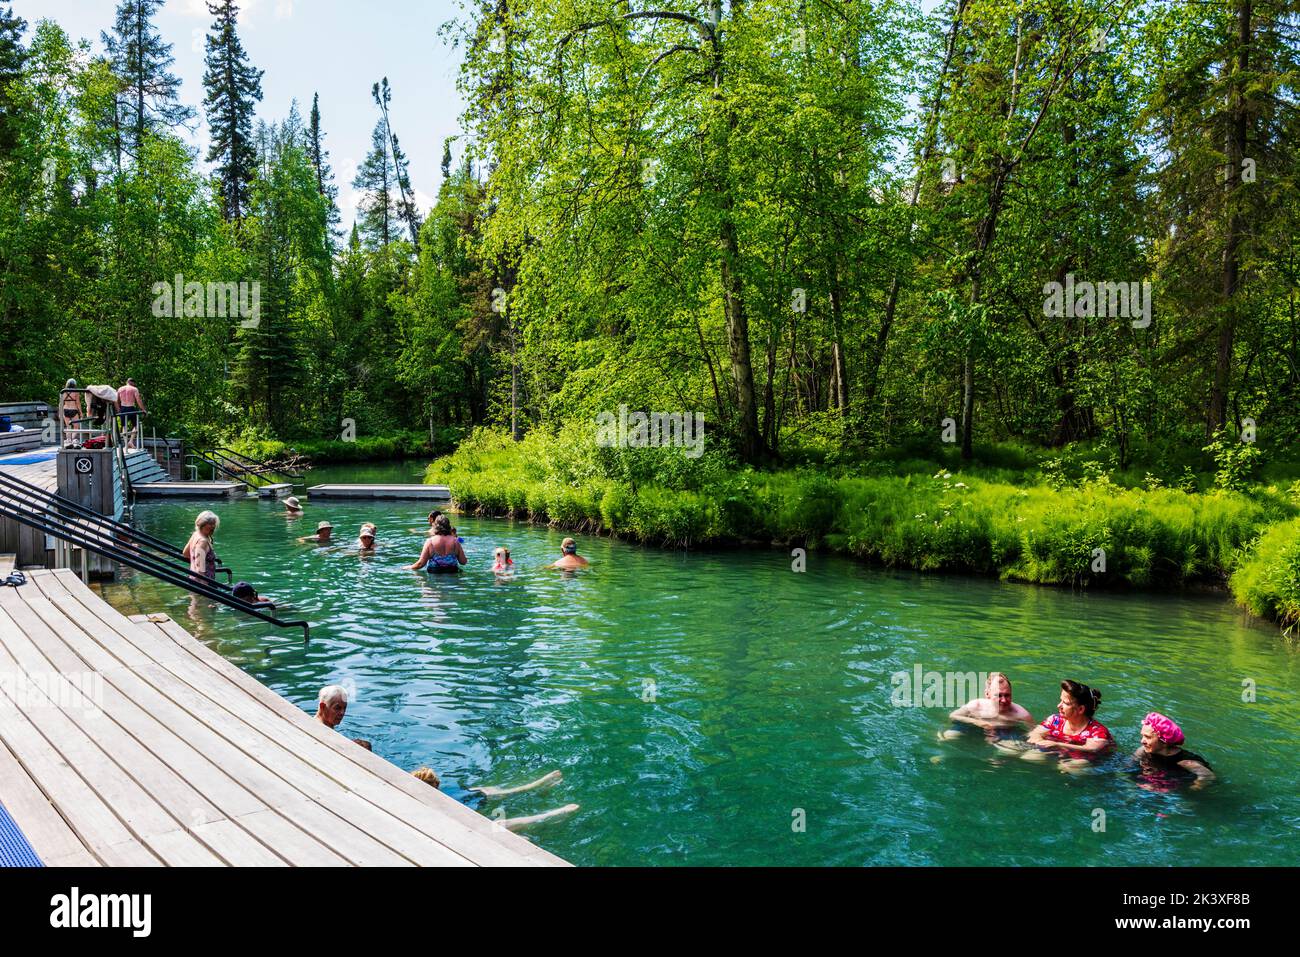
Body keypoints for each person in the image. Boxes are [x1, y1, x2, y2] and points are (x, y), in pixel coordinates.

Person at [1024, 679, 1114, 765]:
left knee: (1073, 767)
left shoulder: (1097, 731)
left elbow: (1091, 748)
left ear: (1080, 709)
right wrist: (1041, 742)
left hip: (1087, 760)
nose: (1059, 705)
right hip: (1057, 755)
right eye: (1061, 701)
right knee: (1031, 756)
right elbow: (1034, 734)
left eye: (1065, 703)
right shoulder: (1055, 720)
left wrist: (1058, 744)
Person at [1133, 712, 1215, 790]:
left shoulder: (1185, 761)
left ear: (1164, 742)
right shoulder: (1143, 750)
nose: (1142, 741)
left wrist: (1194, 787)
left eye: (1148, 737)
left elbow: (1208, 776)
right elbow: (1129, 766)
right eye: (1142, 736)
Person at [942, 672, 1033, 740]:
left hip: (1005, 732)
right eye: (999, 695)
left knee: (1010, 751)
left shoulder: (1021, 714)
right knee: (949, 735)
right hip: (976, 727)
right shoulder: (977, 705)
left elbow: (1033, 733)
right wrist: (979, 723)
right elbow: (953, 716)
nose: (1004, 700)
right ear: (987, 694)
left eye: (1007, 695)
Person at [313, 685, 369, 749]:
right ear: (323, 707)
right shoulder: (324, 734)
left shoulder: (315, 722)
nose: (342, 713)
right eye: (337, 708)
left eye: (344, 708)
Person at [182, 511, 220, 582]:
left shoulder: (196, 534)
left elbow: (186, 553)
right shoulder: (203, 542)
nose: (213, 526)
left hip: (193, 579)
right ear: (202, 524)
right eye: (210, 524)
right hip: (203, 584)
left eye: (214, 523)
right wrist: (204, 589)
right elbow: (200, 571)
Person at [115, 378, 145, 450]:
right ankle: (130, 441)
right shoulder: (134, 389)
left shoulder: (120, 389)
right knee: (136, 425)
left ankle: (126, 444)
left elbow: (115, 400)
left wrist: (118, 410)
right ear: (132, 382)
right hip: (131, 408)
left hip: (123, 409)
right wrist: (143, 409)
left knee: (124, 426)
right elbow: (138, 400)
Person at [60, 379, 85, 447]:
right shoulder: (76, 392)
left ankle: (68, 440)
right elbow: (78, 403)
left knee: (68, 427)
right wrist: (81, 412)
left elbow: (61, 403)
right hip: (73, 409)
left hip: (65, 410)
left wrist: (60, 412)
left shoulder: (63, 392)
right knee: (76, 427)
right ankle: (73, 439)